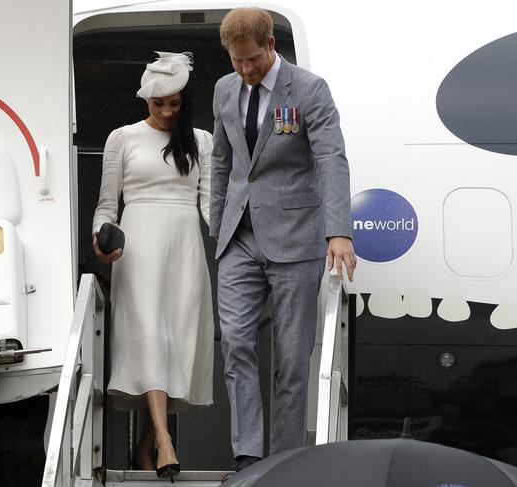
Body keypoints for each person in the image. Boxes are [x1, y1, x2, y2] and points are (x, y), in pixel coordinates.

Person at [209, 7, 357, 473]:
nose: (246, 69)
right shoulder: (224, 89)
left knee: (291, 361)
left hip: (296, 239)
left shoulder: (309, 89)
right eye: (238, 61)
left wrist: (338, 232)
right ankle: (248, 453)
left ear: (271, 45)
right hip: (240, 237)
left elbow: (331, 157)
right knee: (235, 343)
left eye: (252, 59)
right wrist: (218, 226)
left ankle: (285, 460)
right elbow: (221, 161)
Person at [92, 51, 214, 480]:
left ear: (185, 101)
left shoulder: (200, 140)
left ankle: (144, 450)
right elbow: (107, 205)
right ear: (146, 100)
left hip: (184, 245)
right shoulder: (121, 137)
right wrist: (101, 240)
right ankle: (164, 441)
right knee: (149, 337)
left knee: (175, 342)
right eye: (158, 103)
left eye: (174, 104)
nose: (165, 112)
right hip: (137, 243)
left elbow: (210, 205)